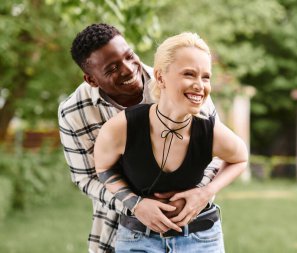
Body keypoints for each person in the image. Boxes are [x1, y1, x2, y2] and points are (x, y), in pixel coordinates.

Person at [58, 24, 222, 253]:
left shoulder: (182, 83)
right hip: (120, 229)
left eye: (129, 56)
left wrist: (198, 194)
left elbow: (218, 152)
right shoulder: (74, 112)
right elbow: (85, 178)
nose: (127, 69)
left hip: (192, 227)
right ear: (91, 80)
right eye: (112, 68)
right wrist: (136, 206)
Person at [94, 32, 248, 252]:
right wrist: (135, 204)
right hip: (137, 240)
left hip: (201, 240)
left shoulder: (209, 130)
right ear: (160, 77)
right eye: (189, 74)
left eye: (205, 77)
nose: (199, 85)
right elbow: (103, 168)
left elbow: (240, 158)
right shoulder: (122, 127)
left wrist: (206, 193)